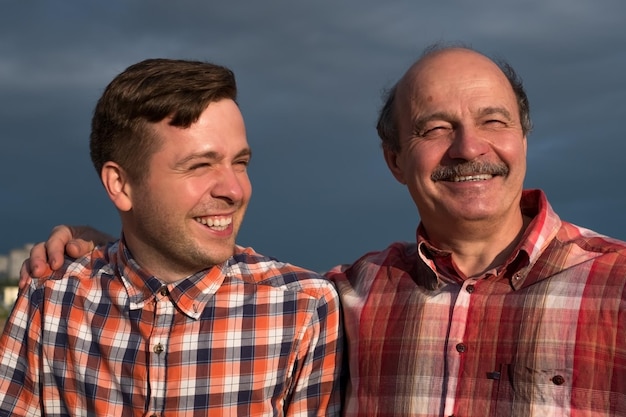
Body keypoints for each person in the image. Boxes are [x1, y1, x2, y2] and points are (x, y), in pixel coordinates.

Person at [20, 44, 626, 416]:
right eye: (435, 128)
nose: (470, 146)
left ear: (523, 137)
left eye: (493, 120)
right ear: (394, 160)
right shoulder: (349, 295)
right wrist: (102, 244)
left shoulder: (617, 286)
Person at [1, 58, 343, 416]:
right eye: (200, 165)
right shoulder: (52, 300)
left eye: (240, 163)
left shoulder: (303, 308)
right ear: (120, 185)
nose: (234, 189)